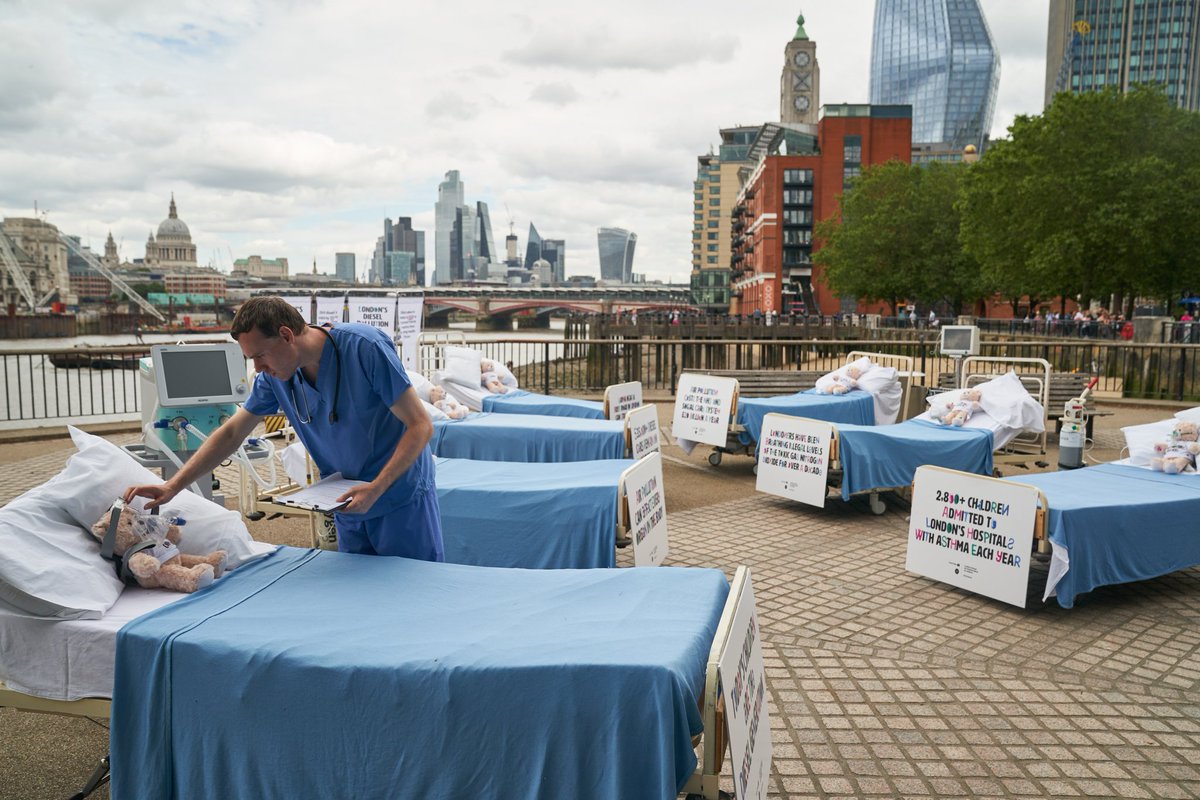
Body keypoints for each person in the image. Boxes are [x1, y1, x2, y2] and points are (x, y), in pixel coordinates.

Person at [124, 297, 443, 561]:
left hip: (399, 498)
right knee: (362, 601)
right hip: (346, 501)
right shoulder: (276, 377)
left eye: (260, 355)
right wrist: (172, 486)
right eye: (251, 359)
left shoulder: (364, 348)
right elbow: (233, 434)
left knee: (413, 597)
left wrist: (377, 487)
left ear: (287, 335)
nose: (258, 368)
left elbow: (420, 425)